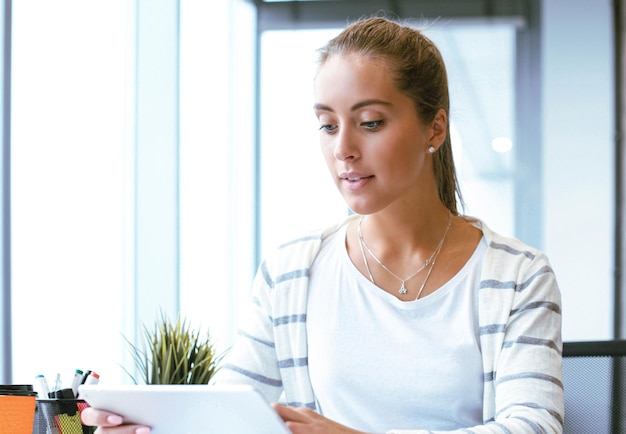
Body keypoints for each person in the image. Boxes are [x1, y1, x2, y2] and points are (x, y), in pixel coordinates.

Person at [81, 16, 563, 434]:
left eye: (370, 122)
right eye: (328, 125)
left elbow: (535, 426)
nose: (343, 149)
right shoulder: (291, 272)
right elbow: (229, 416)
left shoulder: (518, 276)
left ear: (434, 129)